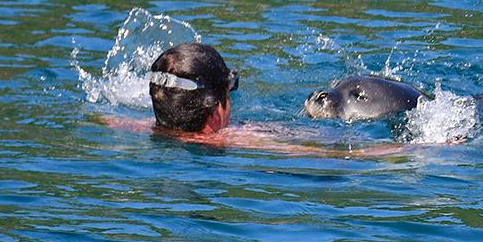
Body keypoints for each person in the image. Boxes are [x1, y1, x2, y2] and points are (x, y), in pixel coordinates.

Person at [101, 42, 405, 157]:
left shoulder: (139, 127)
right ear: (217, 109)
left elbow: (106, 118)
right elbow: (347, 154)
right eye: (230, 88)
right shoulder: (246, 139)